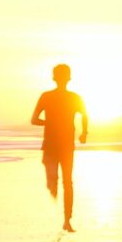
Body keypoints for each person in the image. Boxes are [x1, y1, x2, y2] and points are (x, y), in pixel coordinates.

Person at [31, 63, 89, 231]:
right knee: (66, 182)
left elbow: (34, 120)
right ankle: (67, 220)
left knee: (64, 182)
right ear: (68, 78)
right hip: (62, 145)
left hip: (57, 145)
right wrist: (84, 132)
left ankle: (66, 219)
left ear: (54, 77)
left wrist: (49, 122)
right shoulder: (72, 97)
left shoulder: (48, 96)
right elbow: (85, 116)